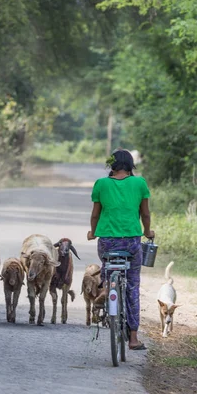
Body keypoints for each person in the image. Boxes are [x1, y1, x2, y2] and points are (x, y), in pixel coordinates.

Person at [87, 149, 155, 351]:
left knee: (108, 266)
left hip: (107, 242)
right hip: (131, 242)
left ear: (112, 165)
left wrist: (92, 233)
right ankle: (133, 339)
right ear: (130, 166)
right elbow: (145, 214)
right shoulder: (139, 183)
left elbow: (95, 215)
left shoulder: (101, 184)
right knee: (132, 286)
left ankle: (107, 289)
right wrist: (148, 231)